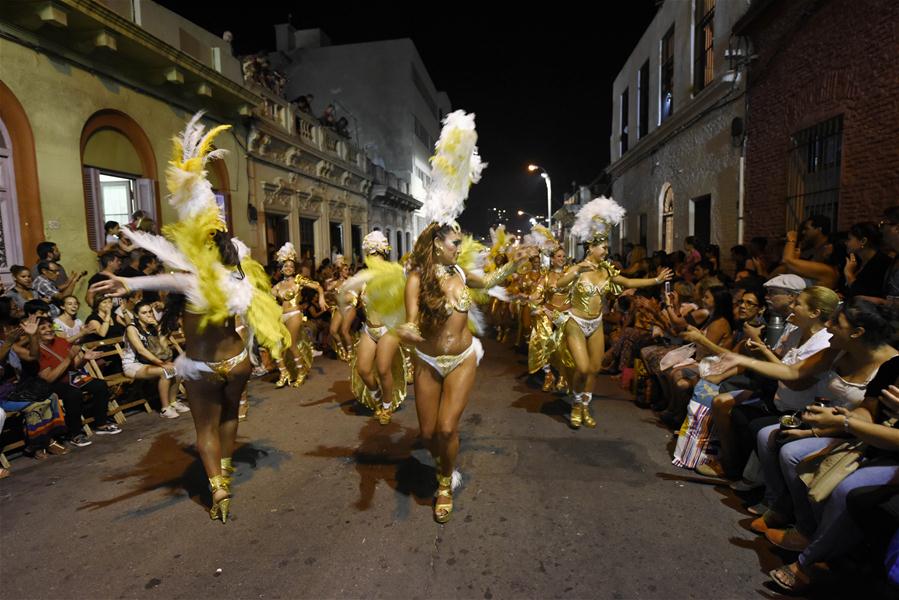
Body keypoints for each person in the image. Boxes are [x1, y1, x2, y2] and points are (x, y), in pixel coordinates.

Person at [91, 114, 288, 523]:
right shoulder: (238, 276)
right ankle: (227, 473)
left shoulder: (194, 281)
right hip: (237, 364)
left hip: (201, 367)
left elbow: (167, 278)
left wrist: (127, 285)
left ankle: (217, 486)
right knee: (231, 417)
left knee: (205, 430)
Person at [555, 197, 672, 429]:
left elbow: (628, 280)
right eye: (604, 247)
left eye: (607, 247)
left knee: (595, 369)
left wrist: (656, 279)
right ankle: (576, 404)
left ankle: (585, 406)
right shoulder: (577, 268)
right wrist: (576, 269)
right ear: (591, 247)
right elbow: (560, 284)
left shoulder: (606, 272)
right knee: (582, 367)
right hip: (576, 322)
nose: (607, 251)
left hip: (596, 323)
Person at [339, 231, 409, 424]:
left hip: (389, 329)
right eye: (371, 255)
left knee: (384, 368)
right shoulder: (362, 277)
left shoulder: (394, 275)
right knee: (363, 369)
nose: (374, 258)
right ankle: (379, 397)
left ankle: (386, 407)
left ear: (384, 255)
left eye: (377, 254)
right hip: (369, 329)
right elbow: (351, 299)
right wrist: (345, 296)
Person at [37, 318, 121, 445]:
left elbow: (75, 365)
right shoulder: (36, 351)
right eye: (43, 328)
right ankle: (75, 434)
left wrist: (85, 359)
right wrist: (69, 358)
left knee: (100, 385)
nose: (48, 329)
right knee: (73, 394)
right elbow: (49, 378)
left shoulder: (60, 341)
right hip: (53, 384)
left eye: (49, 326)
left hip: (71, 376)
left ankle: (101, 424)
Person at [271, 243, 327, 387]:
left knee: (291, 344)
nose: (288, 268)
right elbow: (268, 302)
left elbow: (318, 287)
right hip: (281, 317)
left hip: (294, 314)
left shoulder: (299, 280)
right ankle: (284, 373)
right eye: (286, 266)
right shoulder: (277, 286)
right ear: (281, 268)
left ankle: (301, 372)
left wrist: (321, 298)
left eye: (291, 266)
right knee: (277, 346)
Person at [122, 301, 187, 419]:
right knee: (165, 371)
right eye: (144, 313)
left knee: (178, 367)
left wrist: (158, 328)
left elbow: (164, 350)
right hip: (134, 365)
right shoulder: (132, 328)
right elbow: (141, 350)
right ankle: (165, 408)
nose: (149, 315)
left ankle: (173, 402)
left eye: (150, 312)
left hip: (150, 362)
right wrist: (162, 364)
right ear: (136, 315)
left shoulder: (152, 327)